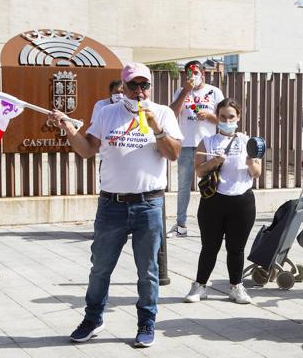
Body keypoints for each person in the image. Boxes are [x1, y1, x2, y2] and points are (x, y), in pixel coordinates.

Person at [49, 63, 183, 348]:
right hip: (112, 205)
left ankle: (147, 322)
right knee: (100, 267)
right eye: (133, 85)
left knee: (147, 270)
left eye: (144, 85)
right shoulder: (107, 113)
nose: (139, 91)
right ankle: (93, 318)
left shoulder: (163, 113)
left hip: (149, 204)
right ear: (123, 86)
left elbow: (173, 154)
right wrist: (69, 129)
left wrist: (157, 127)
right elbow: (87, 149)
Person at [183, 98, 261, 304]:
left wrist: (251, 162)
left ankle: (236, 286)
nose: (227, 120)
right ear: (217, 118)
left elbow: (257, 173)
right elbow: (199, 171)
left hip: (242, 201)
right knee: (209, 246)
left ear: (239, 117)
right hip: (213, 201)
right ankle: (199, 286)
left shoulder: (248, 141)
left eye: (231, 117)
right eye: (223, 117)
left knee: (237, 248)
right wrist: (214, 161)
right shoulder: (208, 141)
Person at [168, 60, 224, 237]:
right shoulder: (181, 91)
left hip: (207, 145)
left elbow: (225, 121)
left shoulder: (214, 92)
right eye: (189, 73)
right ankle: (181, 224)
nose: (193, 76)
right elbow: (172, 114)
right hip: (185, 145)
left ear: (203, 74)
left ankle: (215, 224)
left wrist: (209, 116)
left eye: (196, 73)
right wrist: (185, 91)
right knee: (183, 186)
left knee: (211, 185)